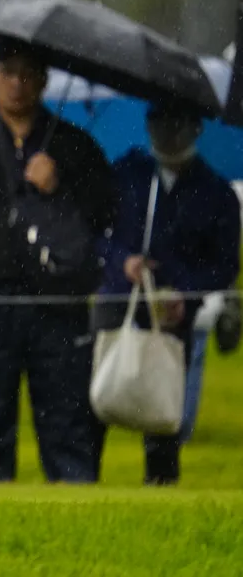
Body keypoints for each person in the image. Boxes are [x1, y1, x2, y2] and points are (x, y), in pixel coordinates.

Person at [0, 45, 115, 483]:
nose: (17, 84)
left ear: (44, 80)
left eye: (27, 74)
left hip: (59, 299)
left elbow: (103, 214)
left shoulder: (73, 145)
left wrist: (58, 186)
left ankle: (75, 498)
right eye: (8, 72)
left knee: (66, 417)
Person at [95, 102, 241, 484]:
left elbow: (224, 266)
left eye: (177, 122)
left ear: (196, 128)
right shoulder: (126, 173)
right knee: (93, 406)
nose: (168, 132)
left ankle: (160, 486)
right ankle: (80, 484)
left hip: (173, 316)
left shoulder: (216, 192)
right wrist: (123, 261)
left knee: (163, 414)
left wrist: (185, 292)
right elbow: (96, 235)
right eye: (159, 121)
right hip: (118, 303)